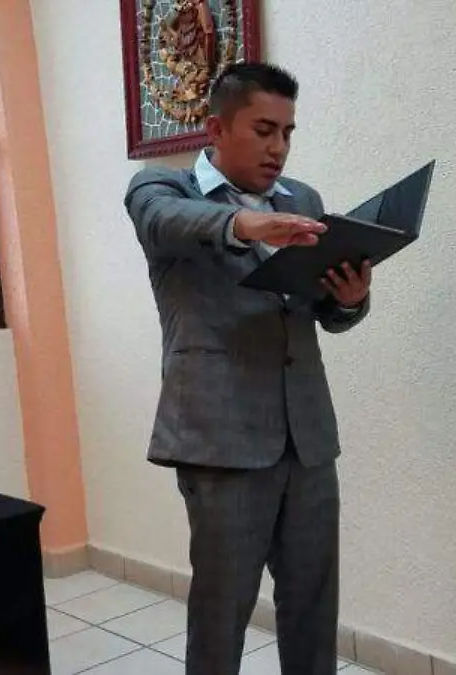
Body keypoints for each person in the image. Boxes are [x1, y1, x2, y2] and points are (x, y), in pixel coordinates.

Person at [125, 62, 371, 674]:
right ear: (216, 128)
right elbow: (165, 223)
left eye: (287, 132)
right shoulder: (163, 189)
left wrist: (349, 300)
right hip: (221, 439)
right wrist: (245, 223)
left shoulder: (302, 201)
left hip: (306, 437)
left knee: (313, 605)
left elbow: (317, 312)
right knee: (222, 611)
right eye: (264, 130)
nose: (278, 148)